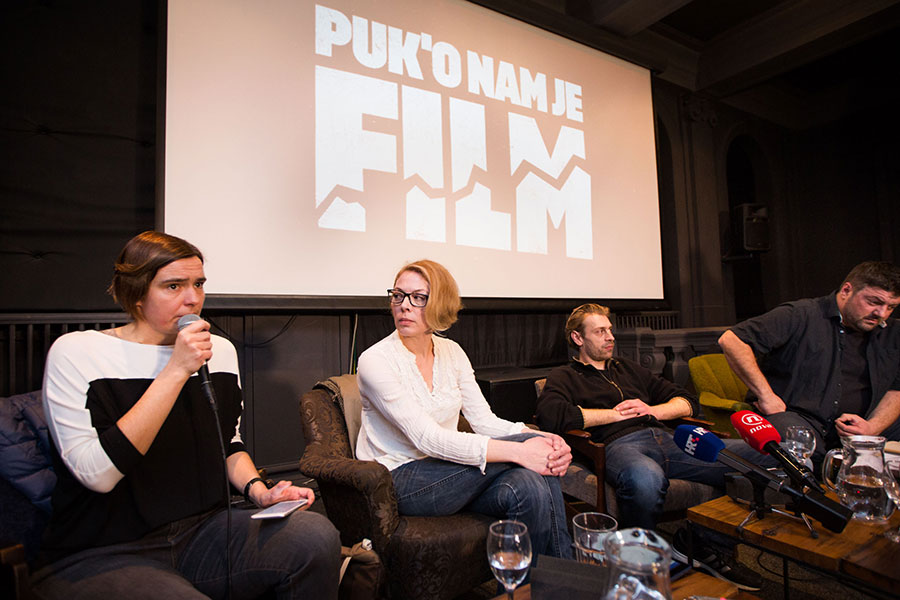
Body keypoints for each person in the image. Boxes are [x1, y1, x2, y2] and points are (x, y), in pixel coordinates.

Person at [32, 231, 340, 600]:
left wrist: (260, 492)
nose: (192, 298)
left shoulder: (218, 352)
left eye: (198, 284)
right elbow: (97, 475)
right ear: (136, 292)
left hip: (202, 532)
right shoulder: (78, 353)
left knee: (315, 536)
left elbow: (227, 443)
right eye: (173, 286)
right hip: (107, 550)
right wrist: (176, 370)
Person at [355, 259, 573, 562]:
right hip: (400, 479)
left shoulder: (452, 351)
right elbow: (427, 438)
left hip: (450, 469)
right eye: (398, 295)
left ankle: (526, 583)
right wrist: (522, 449)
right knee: (533, 456)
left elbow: (483, 420)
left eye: (418, 298)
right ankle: (569, 572)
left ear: (440, 303)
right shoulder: (375, 360)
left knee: (531, 485)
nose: (404, 306)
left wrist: (542, 438)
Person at [535, 303, 763, 590]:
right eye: (600, 331)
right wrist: (615, 415)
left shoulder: (628, 369)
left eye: (610, 330)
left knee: (761, 457)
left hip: (669, 439)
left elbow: (687, 401)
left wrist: (652, 410)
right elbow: (551, 414)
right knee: (645, 479)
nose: (610, 337)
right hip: (620, 445)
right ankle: (635, 569)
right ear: (578, 338)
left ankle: (700, 545)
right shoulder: (565, 375)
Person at [719, 261, 900, 460]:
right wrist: (766, 396)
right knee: (799, 447)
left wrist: (873, 426)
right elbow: (732, 340)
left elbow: (896, 389)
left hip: (864, 421)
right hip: (798, 417)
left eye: (891, 307)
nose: (881, 313)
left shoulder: (893, 332)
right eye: (874, 302)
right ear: (847, 290)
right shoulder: (801, 314)